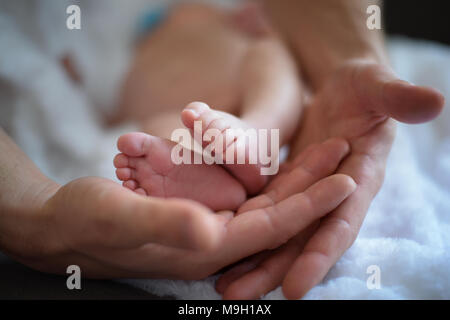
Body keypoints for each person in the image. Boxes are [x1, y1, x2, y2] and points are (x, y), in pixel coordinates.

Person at [0, 0, 444, 300]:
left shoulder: (227, 17)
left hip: (234, 69)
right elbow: (75, 68)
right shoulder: (122, 37)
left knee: (271, 66)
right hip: (165, 110)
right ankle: (202, 182)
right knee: (160, 138)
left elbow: (295, 19)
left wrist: (259, 24)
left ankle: (254, 132)